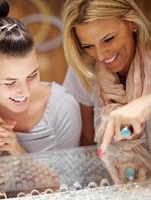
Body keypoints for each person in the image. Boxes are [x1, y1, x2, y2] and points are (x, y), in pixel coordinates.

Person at [0, 0, 81, 158]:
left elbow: (69, 178)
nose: (25, 91)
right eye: (10, 82)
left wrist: (18, 152)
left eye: (32, 75)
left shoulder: (63, 107)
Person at [61, 0, 151, 153]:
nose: (101, 56)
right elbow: (86, 142)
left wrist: (146, 103)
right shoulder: (84, 69)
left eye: (108, 39)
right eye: (88, 46)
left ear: (132, 23)